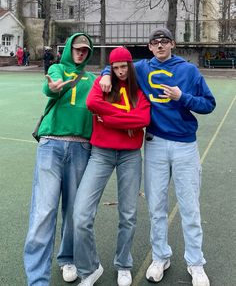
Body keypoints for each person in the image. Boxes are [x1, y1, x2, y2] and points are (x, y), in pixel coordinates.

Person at [99, 28, 216, 286]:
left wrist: (181, 97)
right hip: (154, 143)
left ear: (172, 44)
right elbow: (118, 67)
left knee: (189, 206)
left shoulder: (189, 70)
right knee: (156, 207)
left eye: (164, 41)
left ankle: (196, 263)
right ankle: (161, 256)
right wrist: (107, 72)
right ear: (150, 47)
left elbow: (209, 104)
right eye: (155, 42)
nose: (160, 45)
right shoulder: (141, 68)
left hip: (185, 145)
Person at [73, 47, 150, 286]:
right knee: (81, 215)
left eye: (123, 67)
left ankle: (123, 264)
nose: (119, 71)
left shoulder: (139, 90)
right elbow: (91, 103)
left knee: (128, 215)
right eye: (115, 68)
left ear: (130, 65)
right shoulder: (102, 84)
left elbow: (143, 120)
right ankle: (90, 268)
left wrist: (108, 118)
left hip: (130, 156)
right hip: (101, 154)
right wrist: (124, 119)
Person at [24, 33, 96, 286]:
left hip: (81, 148)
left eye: (85, 50)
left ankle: (67, 258)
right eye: (77, 49)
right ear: (68, 50)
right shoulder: (56, 68)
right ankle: (37, 279)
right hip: (51, 145)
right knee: (44, 211)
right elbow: (50, 86)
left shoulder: (93, 78)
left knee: (74, 211)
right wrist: (52, 87)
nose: (80, 53)